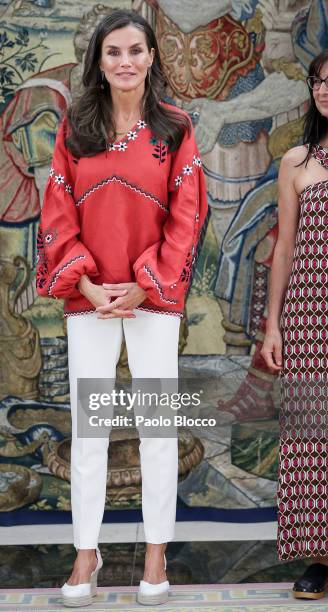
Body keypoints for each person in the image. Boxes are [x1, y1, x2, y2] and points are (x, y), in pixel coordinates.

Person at [36, 9, 207, 607]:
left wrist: (146, 284)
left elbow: (187, 218)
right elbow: (56, 212)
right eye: (113, 52)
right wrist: (84, 284)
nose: (125, 61)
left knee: (158, 427)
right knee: (90, 429)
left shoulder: (175, 128)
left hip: (150, 299)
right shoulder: (74, 126)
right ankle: (88, 552)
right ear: (98, 62)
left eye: (136, 50)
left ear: (152, 57)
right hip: (90, 299)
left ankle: (156, 552)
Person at [261, 49, 328, 600]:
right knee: (311, 433)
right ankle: (319, 556)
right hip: (309, 314)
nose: (325, 89)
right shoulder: (297, 162)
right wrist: (273, 326)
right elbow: (283, 248)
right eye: (319, 81)